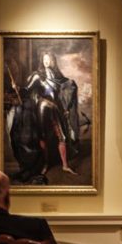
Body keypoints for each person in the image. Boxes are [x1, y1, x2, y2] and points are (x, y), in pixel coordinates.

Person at [8, 51, 80, 183]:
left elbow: (60, 94)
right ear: (42, 60)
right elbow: (26, 89)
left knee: (62, 137)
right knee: (42, 136)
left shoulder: (56, 76)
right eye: (44, 59)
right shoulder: (37, 76)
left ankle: (65, 165)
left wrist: (65, 107)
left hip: (54, 108)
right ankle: (44, 165)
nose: (47, 61)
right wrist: (17, 87)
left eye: (49, 59)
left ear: (52, 61)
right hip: (42, 108)